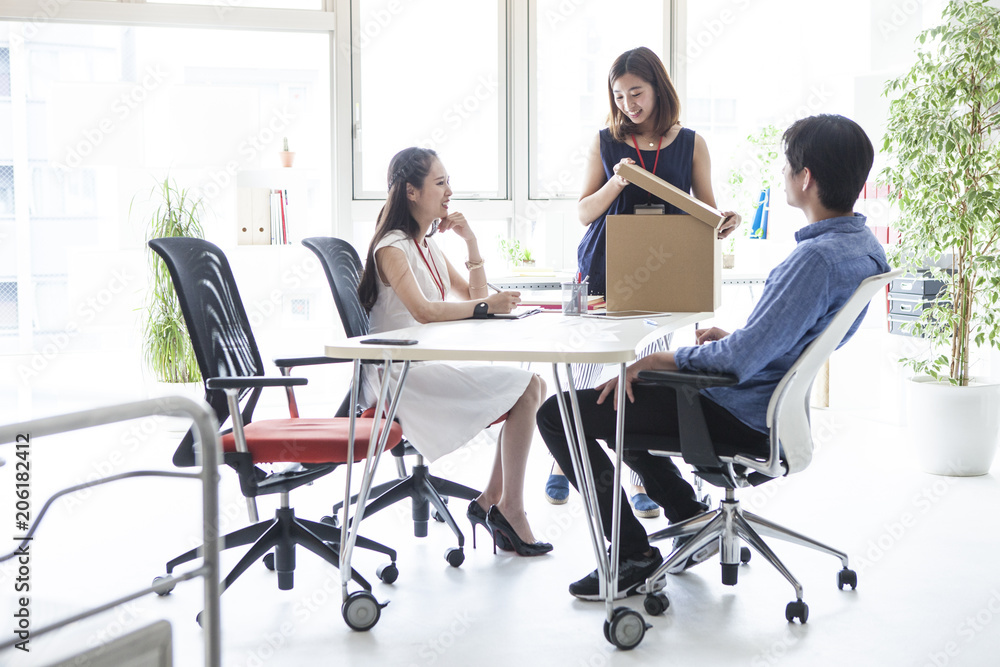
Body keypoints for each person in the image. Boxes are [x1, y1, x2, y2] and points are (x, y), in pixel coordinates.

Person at [537, 113, 890, 599]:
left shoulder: (814, 260)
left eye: (786, 166)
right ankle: (687, 514)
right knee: (622, 398)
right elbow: (791, 337)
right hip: (769, 407)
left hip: (738, 412)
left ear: (806, 178)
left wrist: (663, 359)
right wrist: (742, 339)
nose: (782, 174)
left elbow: (737, 362)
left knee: (559, 415)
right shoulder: (862, 249)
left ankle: (631, 555)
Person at [546, 46, 742, 519]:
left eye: (636, 92)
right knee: (591, 365)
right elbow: (584, 212)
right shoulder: (605, 141)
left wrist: (725, 220)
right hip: (605, 268)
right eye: (619, 95)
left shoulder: (692, 143)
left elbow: (707, 212)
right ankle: (563, 454)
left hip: (668, 271)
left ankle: (638, 476)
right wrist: (617, 182)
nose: (628, 104)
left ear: (658, 88)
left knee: (642, 368)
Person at [358, 146, 551, 557]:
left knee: (533, 386)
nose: (449, 192)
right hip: (397, 376)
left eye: (449, 182)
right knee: (529, 388)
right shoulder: (393, 246)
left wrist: (472, 242)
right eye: (440, 182)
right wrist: (486, 307)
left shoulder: (426, 245)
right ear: (412, 191)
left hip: (421, 367)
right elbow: (424, 311)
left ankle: (495, 503)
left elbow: (474, 294)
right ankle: (505, 508)